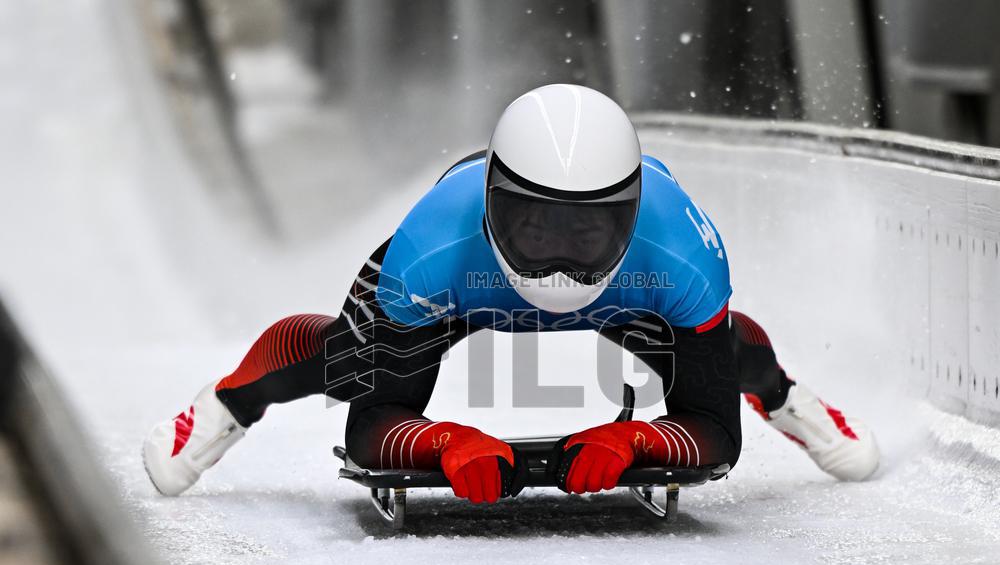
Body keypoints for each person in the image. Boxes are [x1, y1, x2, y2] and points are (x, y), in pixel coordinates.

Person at [142, 84, 879, 503]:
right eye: (536, 227)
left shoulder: (683, 250)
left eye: (585, 233)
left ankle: (789, 399)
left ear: (627, 215)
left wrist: (637, 436)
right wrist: (440, 439)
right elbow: (370, 423)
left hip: (609, 291)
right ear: (495, 205)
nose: (558, 262)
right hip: (470, 285)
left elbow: (715, 432)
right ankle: (229, 402)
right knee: (343, 360)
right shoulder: (430, 249)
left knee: (723, 352)